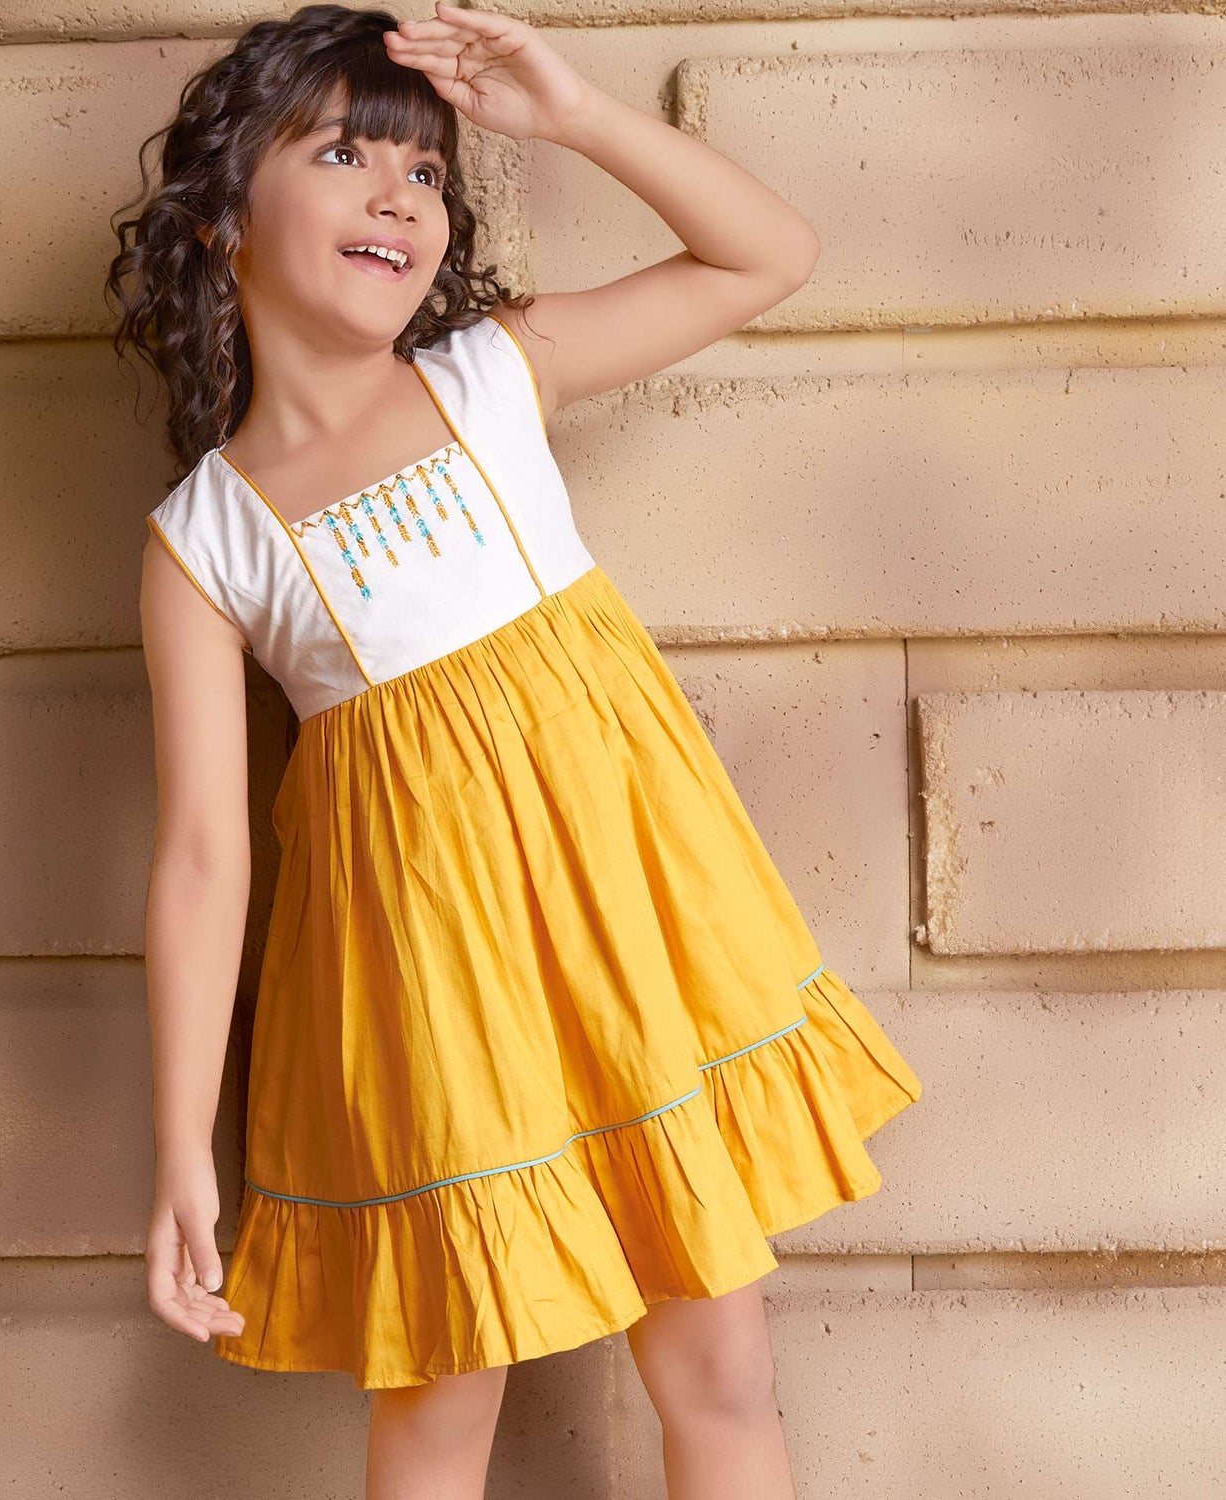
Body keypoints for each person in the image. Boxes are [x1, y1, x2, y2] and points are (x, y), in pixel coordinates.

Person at [107, 4, 923, 1495]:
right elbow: (207, 857)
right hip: (428, 996)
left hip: (630, 948)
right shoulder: (204, 538)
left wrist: (577, 113)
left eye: (425, 171)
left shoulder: (494, 377)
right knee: (441, 1405)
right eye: (346, 152)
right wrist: (178, 1151)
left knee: (723, 1367)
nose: (397, 195)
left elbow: (768, 255)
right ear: (226, 214)